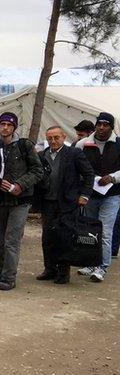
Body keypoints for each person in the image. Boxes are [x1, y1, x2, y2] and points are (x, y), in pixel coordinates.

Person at [0, 112, 45, 290]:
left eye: (9, 125)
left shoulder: (24, 145)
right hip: (0, 199)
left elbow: (37, 170)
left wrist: (20, 184)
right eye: (2, 124)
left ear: (14, 128)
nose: (5, 128)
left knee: (12, 239)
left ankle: (9, 277)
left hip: (21, 200)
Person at [36, 126, 95, 283]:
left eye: (56, 137)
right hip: (48, 203)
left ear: (63, 137)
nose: (53, 141)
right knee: (48, 236)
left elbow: (88, 174)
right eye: (50, 138)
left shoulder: (74, 153)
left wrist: (84, 195)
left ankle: (63, 272)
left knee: (65, 237)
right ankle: (49, 269)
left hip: (68, 203)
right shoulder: (42, 155)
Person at [76, 112, 120, 282]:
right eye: (99, 124)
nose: (102, 128)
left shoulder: (118, 144)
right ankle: (90, 263)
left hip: (112, 195)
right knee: (89, 230)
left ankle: (102, 267)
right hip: (90, 194)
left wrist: (112, 178)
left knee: (105, 232)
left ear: (111, 126)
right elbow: (75, 165)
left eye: (106, 125)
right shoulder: (82, 144)